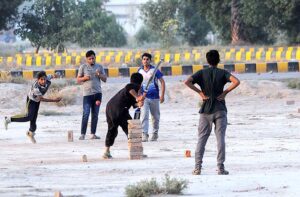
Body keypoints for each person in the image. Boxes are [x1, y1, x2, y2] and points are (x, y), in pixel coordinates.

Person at [184, 50, 240, 175]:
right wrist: (225, 92)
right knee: (220, 139)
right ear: (218, 60)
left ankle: (197, 168)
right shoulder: (223, 73)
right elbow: (236, 81)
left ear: (207, 60)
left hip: (205, 110)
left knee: (202, 139)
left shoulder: (201, 73)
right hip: (220, 109)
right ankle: (220, 168)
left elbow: (186, 82)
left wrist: (200, 92)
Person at [4, 71, 61, 143]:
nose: (43, 81)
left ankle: (30, 133)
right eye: (41, 80)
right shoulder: (36, 87)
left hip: (37, 102)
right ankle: (9, 119)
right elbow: (42, 99)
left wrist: (56, 75)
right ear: (38, 80)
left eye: (44, 79)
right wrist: (54, 100)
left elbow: (52, 76)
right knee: (28, 117)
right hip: (31, 101)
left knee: (34, 122)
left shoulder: (47, 78)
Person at [103, 73, 144, 159]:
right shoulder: (133, 86)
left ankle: (106, 151)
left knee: (112, 129)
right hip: (120, 109)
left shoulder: (130, 91)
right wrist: (137, 97)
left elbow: (134, 105)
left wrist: (139, 104)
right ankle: (136, 151)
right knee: (132, 129)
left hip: (110, 107)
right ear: (140, 82)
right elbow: (129, 88)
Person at [77, 50, 107, 140]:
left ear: (95, 58)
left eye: (93, 58)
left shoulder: (99, 67)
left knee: (95, 115)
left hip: (98, 94)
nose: (91, 60)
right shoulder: (83, 67)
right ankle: (82, 134)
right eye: (89, 59)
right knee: (86, 114)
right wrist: (85, 78)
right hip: (87, 94)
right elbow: (78, 80)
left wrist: (99, 74)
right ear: (86, 59)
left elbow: (105, 79)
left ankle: (93, 134)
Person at [138, 53, 165, 142]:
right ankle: (144, 134)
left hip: (155, 97)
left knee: (155, 117)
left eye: (147, 59)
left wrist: (162, 95)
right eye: (144, 59)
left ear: (150, 60)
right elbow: (137, 85)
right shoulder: (139, 71)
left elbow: (162, 82)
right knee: (144, 115)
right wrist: (138, 97)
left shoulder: (155, 70)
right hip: (144, 97)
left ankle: (155, 134)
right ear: (142, 60)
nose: (145, 61)